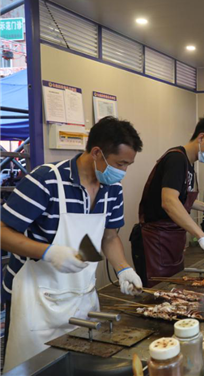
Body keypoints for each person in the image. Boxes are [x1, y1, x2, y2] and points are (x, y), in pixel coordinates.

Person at [2, 117, 144, 370]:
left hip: (81, 297)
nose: (123, 171)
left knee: (80, 364)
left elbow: (109, 237)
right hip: (35, 299)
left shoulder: (112, 189)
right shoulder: (46, 181)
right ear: (97, 153)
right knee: (34, 367)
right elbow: (2, 231)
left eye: (128, 165)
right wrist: (48, 252)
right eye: (120, 163)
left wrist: (124, 268)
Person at [135, 114, 204, 286]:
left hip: (171, 238)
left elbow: (182, 198)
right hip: (157, 240)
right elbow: (169, 202)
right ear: (202, 137)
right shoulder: (176, 159)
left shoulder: (189, 164)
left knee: (173, 291)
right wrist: (202, 237)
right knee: (159, 295)